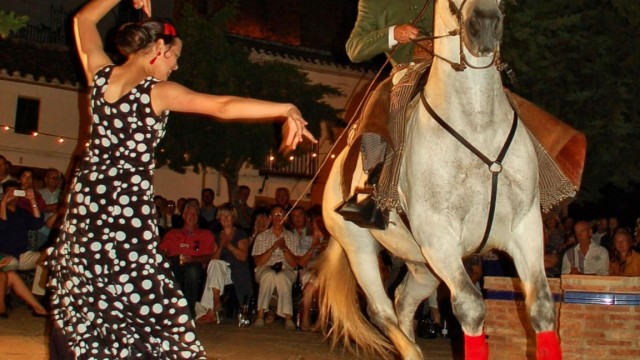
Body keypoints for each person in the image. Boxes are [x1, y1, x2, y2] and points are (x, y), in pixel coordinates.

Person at [46, 0, 316, 357]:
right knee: (141, 290)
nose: (176, 65)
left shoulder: (99, 74)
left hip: (88, 200)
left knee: (92, 285)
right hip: (125, 205)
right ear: (157, 49)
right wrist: (284, 108)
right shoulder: (156, 92)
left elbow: (83, 18)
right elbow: (222, 106)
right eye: (173, 56)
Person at [198, 203, 253, 324]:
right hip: (220, 272)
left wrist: (228, 245)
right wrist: (221, 244)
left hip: (237, 270)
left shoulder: (240, 234)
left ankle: (211, 311)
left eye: (228, 215)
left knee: (215, 267)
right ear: (218, 218)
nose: (225, 218)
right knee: (215, 264)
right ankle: (216, 301)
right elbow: (214, 259)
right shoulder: (216, 236)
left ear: (233, 217)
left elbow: (243, 257)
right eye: (222, 216)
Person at [159, 202, 216, 316]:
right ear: (183, 215)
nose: (192, 216)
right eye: (189, 214)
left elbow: (209, 256)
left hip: (195, 265)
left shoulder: (206, 234)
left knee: (192, 270)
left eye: (195, 214)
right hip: (174, 264)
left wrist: (193, 259)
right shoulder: (173, 233)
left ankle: (188, 312)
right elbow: (162, 252)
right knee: (170, 266)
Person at [251, 205, 301, 330]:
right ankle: (260, 315)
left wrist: (284, 248)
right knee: (269, 275)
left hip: (287, 269)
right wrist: (273, 248)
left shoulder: (293, 237)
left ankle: (288, 317)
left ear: (286, 218)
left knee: (282, 277)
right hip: (265, 268)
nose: (279, 217)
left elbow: (295, 264)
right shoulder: (262, 237)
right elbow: (258, 262)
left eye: (281, 214)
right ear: (270, 217)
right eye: (275, 214)